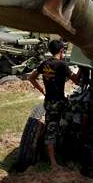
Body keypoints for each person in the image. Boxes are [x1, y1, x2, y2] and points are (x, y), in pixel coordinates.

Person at [28, 40, 79, 170]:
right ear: (61, 51)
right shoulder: (62, 65)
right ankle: (53, 163)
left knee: (53, 126)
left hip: (49, 102)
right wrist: (82, 69)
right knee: (53, 129)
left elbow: (31, 77)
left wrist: (42, 90)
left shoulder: (45, 64)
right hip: (58, 103)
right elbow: (76, 81)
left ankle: (56, 154)